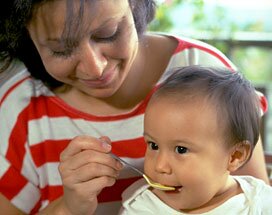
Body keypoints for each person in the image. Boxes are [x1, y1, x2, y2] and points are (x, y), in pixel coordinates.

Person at [0, 0, 269, 214]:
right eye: (61, 50)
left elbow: (247, 194)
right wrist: (69, 207)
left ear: (136, 6)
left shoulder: (209, 75)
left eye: (109, 33)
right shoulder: (19, 110)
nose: (96, 68)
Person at [120, 65, 272, 215]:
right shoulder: (141, 208)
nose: (160, 166)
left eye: (181, 149)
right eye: (153, 145)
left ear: (234, 156)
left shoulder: (260, 203)